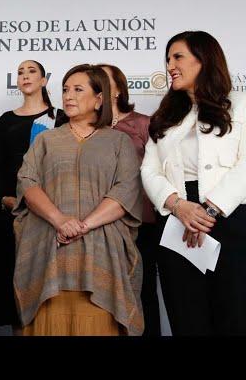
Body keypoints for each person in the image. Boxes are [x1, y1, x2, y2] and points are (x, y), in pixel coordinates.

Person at [14, 63, 143, 336]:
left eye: (77, 89)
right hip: (50, 255)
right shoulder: (46, 140)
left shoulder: (119, 142)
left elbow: (125, 190)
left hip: (101, 256)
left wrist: (82, 226)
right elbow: (27, 182)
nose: (68, 96)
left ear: (99, 99)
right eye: (65, 89)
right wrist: (60, 220)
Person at [141, 31, 246, 335]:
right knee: (186, 314)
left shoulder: (239, 104)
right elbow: (149, 169)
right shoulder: (165, 116)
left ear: (204, 60)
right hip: (177, 220)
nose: (170, 65)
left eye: (178, 57)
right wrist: (178, 206)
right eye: (168, 59)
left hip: (230, 219)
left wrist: (208, 212)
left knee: (235, 313)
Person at [0, 59, 63, 334]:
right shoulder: (7, 119)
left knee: (46, 285)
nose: (25, 76)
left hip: (49, 215)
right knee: (13, 288)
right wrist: (7, 199)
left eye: (32, 71)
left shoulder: (59, 118)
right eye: (20, 72)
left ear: (44, 80)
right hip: (11, 213)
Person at [98, 63, 159, 336]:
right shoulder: (87, 128)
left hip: (141, 223)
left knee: (141, 293)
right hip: (100, 224)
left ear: (118, 89)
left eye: (104, 80)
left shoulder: (144, 123)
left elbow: (157, 172)